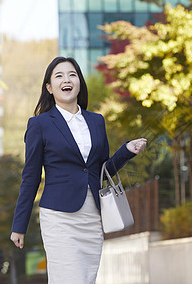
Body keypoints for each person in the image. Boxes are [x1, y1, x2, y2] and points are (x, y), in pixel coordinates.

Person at [10, 57, 147, 284]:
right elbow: (31, 177)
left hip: (92, 217)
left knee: (85, 279)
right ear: (49, 87)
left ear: (79, 82)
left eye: (72, 74)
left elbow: (103, 171)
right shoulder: (39, 124)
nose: (67, 79)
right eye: (59, 76)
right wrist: (19, 225)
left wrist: (127, 151)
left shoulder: (96, 121)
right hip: (59, 217)